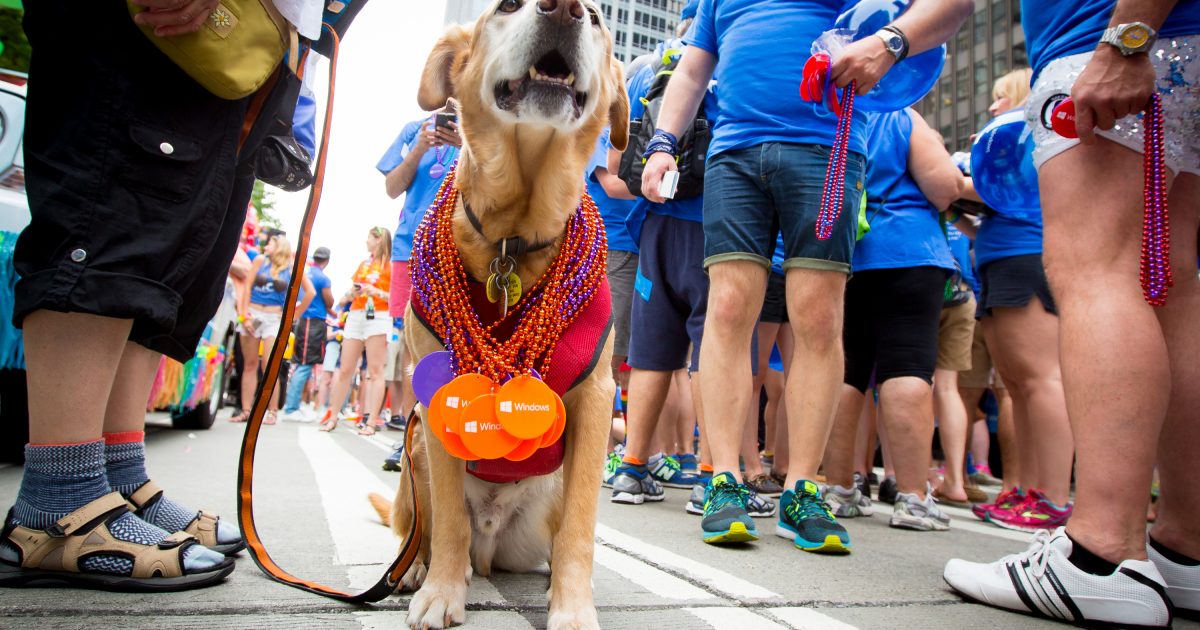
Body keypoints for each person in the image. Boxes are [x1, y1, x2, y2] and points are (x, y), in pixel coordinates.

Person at [640, 0, 973, 549]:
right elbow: (696, 68)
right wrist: (661, 144)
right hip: (733, 154)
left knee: (818, 319)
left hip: (827, 148)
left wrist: (889, 42)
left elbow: (951, 8)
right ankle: (722, 478)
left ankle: (802, 490)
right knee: (726, 310)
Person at [0, 0, 277, 591]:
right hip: (154, 22)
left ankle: (115, 477)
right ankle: (58, 502)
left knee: (161, 265)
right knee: (109, 226)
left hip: (236, 51)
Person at [945, 1, 1200, 626]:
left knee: (1100, 268)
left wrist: (1126, 38)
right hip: (1181, 45)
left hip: (1111, 42)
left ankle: (1100, 554)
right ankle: (1186, 549)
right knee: (1173, 283)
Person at [822, 107, 962, 533]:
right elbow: (944, 187)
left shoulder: (834, 115)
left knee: (848, 373)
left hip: (848, 253)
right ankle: (914, 499)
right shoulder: (902, 117)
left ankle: (841, 489)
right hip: (910, 249)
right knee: (908, 366)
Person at [957, 69, 1075, 532]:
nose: (991, 108)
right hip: (1000, 259)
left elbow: (983, 190)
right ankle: (1025, 489)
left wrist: (954, 181)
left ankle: (1052, 497)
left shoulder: (1034, 136)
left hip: (1026, 257)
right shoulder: (1009, 142)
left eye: (1000, 98)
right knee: (1019, 384)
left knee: (1041, 380)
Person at [604, 9, 712, 512]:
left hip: (654, 228)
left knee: (647, 355)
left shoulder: (651, 67)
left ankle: (631, 469)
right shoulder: (721, 55)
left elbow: (619, 165)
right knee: (713, 352)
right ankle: (712, 475)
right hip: (714, 225)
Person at [377, 107, 461, 431]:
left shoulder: (480, 126)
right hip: (409, 247)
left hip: (458, 249)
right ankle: (412, 436)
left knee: (455, 341)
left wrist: (467, 141)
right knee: (413, 343)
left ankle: (449, 431)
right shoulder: (414, 130)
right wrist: (420, 149)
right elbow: (392, 187)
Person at [317, 227, 392, 435]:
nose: (366, 241)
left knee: (375, 371)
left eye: (369, 237)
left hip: (379, 316)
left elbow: (397, 298)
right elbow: (347, 294)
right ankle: (332, 417)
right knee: (344, 369)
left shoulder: (392, 265)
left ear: (378, 240)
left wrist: (377, 292)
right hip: (357, 314)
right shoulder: (363, 264)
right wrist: (352, 292)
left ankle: (370, 423)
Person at [234, 233, 314, 426]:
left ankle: (271, 412)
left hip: (274, 318)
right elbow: (247, 287)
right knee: (250, 364)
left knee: (269, 366)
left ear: (280, 246)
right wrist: (243, 314)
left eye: (270, 242)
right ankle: (246, 410)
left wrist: (293, 316)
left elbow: (310, 292)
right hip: (253, 315)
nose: (266, 245)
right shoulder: (261, 260)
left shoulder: (292, 266)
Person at [280, 246, 333, 422]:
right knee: (304, 365)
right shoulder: (322, 278)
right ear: (326, 260)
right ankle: (291, 408)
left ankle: (292, 406)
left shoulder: (307, 273)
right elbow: (329, 301)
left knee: (302, 364)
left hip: (306, 320)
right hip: (313, 322)